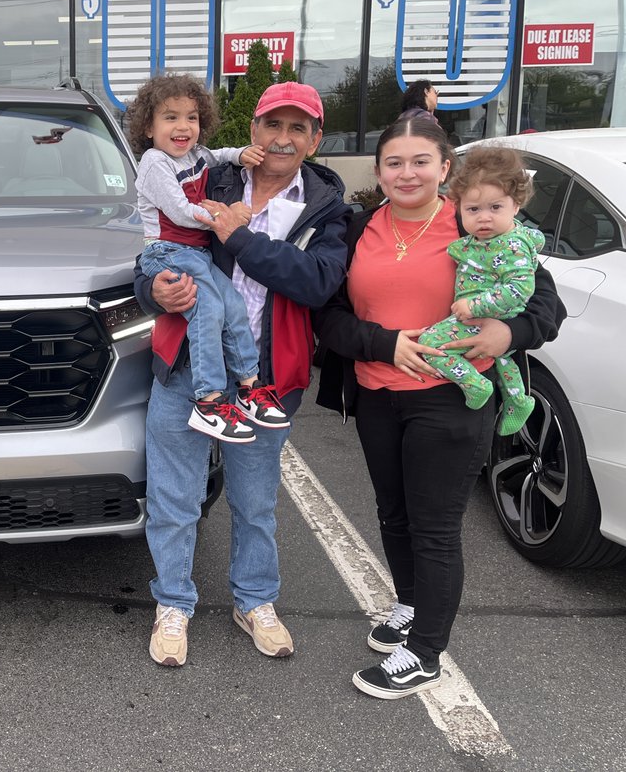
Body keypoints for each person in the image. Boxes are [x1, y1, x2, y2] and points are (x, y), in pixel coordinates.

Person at [313, 117, 565, 699]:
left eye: (421, 161)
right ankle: (410, 603)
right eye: (394, 163)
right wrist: (385, 344)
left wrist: (508, 334)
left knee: (433, 527)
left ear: (445, 168)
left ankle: (425, 652)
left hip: (452, 399)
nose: (407, 173)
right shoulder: (356, 230)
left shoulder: (479, 220)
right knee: (393, 514)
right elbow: (327, 316)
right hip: (377, 394)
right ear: (377, 173)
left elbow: (544, 303)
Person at [134, 81, 350, 667]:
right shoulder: (210, 176)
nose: (282, 138)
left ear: (314, 140)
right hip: (184, 366)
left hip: (268, 380)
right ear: (253, 131)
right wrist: (153, 291)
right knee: (172, 497)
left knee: (255, 503)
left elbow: (316, 282)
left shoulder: (328, 208)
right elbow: (153, 255)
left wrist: (240, 236)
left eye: (297, 128)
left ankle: (255, 600)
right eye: (272, 125)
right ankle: (173, 603)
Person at [126, 73, 292, 444]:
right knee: (208, 310)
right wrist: (226, 217)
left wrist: (240, 155)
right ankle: (209, 399)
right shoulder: (155, 163)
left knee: (232, 304)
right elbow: (182, 211)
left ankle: (249, 386)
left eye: (192, 117)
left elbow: (217, 156)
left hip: (196, 254)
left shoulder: (196, 154)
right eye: (170, 117)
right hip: (166, 252)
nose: (183, 126)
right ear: (149, 128)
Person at [417, 146, 544, 435]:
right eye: (473, 210)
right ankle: (518, 399)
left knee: (431, 344)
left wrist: (473, 307)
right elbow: (477, 255)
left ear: (516, 205)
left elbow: (519, 288)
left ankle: (475, 385)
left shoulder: (512, 245)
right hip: (488, 317)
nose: (483, 218)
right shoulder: (495, 239)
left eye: (495, 207)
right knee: (501, 357)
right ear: (459, 208)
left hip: (482, 314)